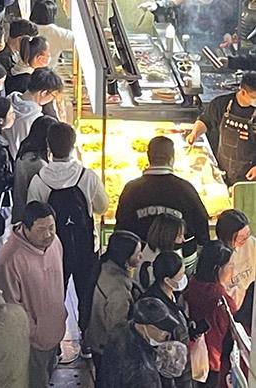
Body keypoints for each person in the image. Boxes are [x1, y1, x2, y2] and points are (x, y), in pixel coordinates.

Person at [27, 121, 108, 329]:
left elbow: (32, 217)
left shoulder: (39, 180)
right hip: (85, 247)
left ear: (48, 146)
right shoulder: (87, 176)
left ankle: (53, 342)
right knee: (86, 293)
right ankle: (87, 339)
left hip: (51, 250)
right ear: (73, 146)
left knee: (53, 296)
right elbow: (102, 207)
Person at [0, 202, 66, 388]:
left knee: (48, 375)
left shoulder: (55, 242)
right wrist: (34, 332)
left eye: (52, 227)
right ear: (25, 228)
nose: (48, 234)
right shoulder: (9, 259)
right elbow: (10, 305)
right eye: (41, 229)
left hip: (55, 330)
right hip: (32, 341)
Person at [116, 134, 210, 267]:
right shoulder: (185, 189)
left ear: (148, 157)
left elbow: (121, 228)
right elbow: (202, 228)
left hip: (139, 262)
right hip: (179, 265)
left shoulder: (131, 189)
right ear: (172, 159)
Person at [86, 229, 142, 382]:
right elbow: (118, 330)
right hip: (107, 348)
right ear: (125, 257)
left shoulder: (103, 266)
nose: (141, 257)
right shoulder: (119, 292)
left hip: (96, 339)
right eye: (137, 254)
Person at [187, 70, 256, 185]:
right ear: (243, 92)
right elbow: (205, 121)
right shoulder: (221, 104)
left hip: (249, 178)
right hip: (223, 170)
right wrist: (194, 133)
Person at [99, 296, 181, 388]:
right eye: (161, 330)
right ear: (143, 327)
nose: (166, 334)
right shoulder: (142, 371)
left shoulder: (121, 329)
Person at [184, 240, 235, 384]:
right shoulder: (217, 295)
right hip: (213, 359)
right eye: (229, 266)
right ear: (217, 269)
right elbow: (233, 320)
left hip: (196, 357)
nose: (232, 270)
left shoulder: (193, 283)